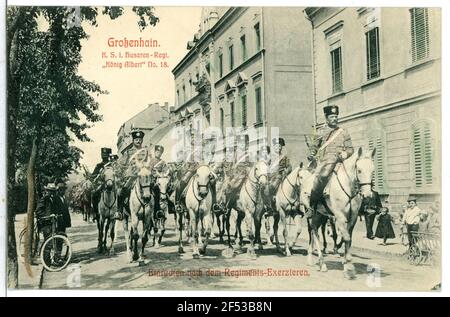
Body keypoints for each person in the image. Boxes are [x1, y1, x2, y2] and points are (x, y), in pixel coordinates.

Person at [308, 105, 354, 212]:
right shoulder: (320, 132)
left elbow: (350, 149)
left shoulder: (344, 132)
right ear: (326, 117)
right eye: (332, 116)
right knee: (321, 177)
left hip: (341, 162)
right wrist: (311, 154)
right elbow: (314, 147)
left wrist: (346, 154)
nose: (335, 118)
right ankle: (315, 204)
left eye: (336, 116)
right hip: (327, 162)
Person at [117, 130, 147, 219]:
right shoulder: (128, 152)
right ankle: (119, 211)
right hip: (132, 176)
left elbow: (150, 163)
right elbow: (121, 164)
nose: (138, 141)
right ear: (133, 141)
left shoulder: (146, 151)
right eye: (136, 139)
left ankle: (157, 210)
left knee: (156, 189)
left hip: (144, 176)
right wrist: (123, 172)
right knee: (121, 192)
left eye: (140, 139)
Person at [267, 138, 292, 213]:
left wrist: (286, 171)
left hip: (280, 176)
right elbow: (264, 165)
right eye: (276, 146)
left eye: (280, 146)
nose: (278, 148)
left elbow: (289, 167)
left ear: (281, 148)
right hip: (269, 176)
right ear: (274, 147)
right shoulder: (269, 157)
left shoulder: (284, 157)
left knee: (273, 186)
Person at [91, 148, 112, 216]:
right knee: (94, 194)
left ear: (109, 155)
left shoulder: (112, 164)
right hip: (102, 185)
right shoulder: (99, 165)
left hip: (112, 184)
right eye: (103, 154)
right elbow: (93, 175)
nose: (104, 156)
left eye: (106, 154)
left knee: (120, 194)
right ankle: (96, 212)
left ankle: (118, 211)